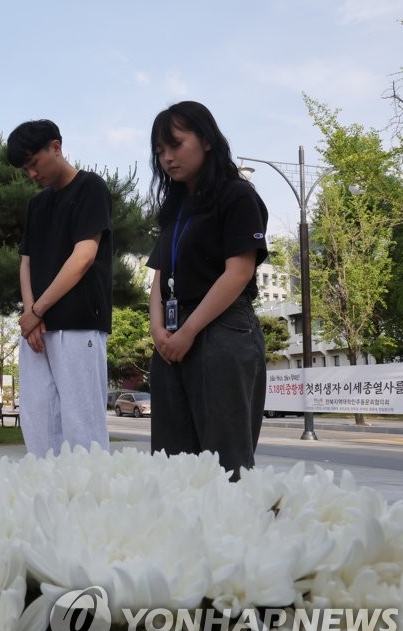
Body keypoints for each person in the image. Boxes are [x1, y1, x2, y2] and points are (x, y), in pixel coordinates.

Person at [145, 101, 268, 481]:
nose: (167, 158)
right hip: (172, 335)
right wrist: (158, 331)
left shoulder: (237, 195)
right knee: (170, 462)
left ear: (208, 141)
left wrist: (187, 332)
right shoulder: (176, 207)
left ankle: (234, 540)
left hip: (221, 329)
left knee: (225, 463)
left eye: (176, 145)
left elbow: (238, 272)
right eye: (160, 151)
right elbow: (158, 276)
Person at [7, 120, 113, 457]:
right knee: (39, 425)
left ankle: (93, 505)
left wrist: (37, 311)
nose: (32, 175)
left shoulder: (90, 187)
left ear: (56, 146)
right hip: (37, 331)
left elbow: (83, 258)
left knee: (84, 429)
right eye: (25, 169)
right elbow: (26, 262)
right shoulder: (37, 205)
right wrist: (31, 316)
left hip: (79, 325)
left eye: (34, 163)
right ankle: (47, 503)